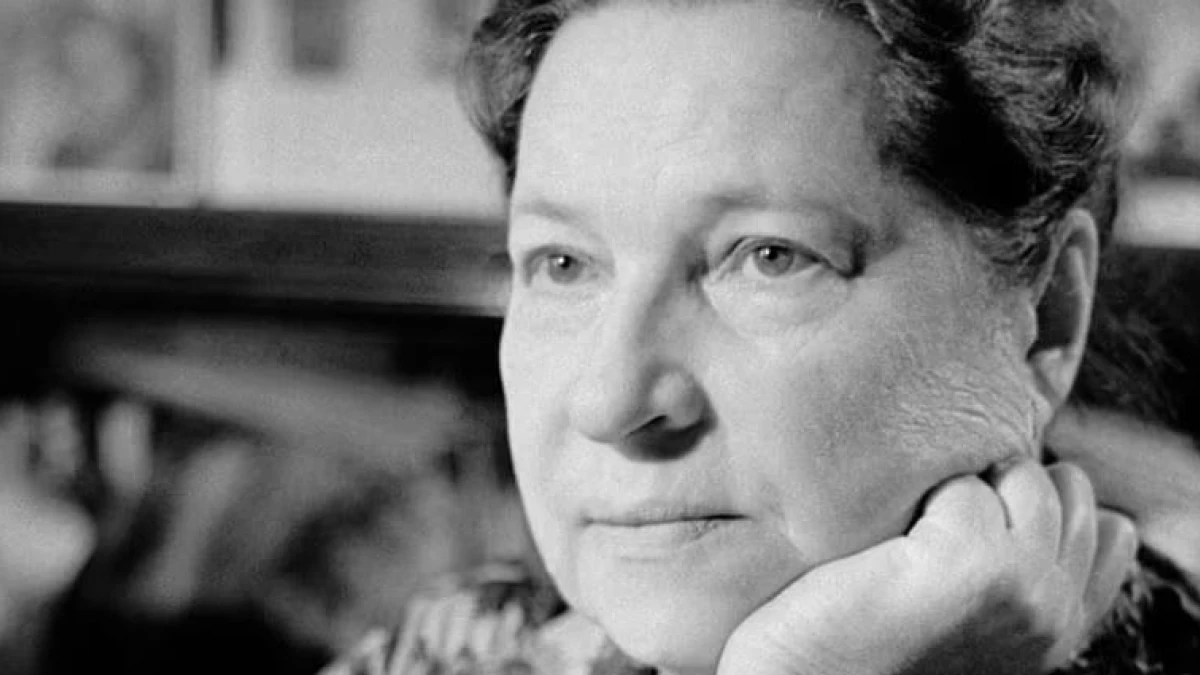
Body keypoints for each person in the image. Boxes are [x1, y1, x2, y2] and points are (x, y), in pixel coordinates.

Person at [319, 0, 1200, 673]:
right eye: (562, 263)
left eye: (769, 257)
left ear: (1045, 318)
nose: (609, 399)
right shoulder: (454, 649)